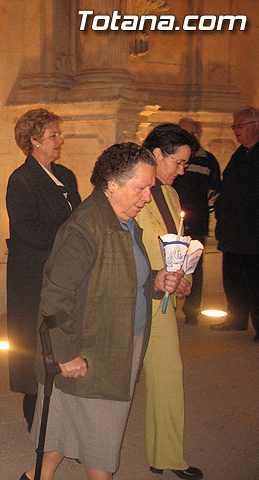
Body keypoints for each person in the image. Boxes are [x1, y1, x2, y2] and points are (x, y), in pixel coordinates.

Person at [19, 143, 188, 480]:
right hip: (94, 352)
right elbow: (55, 296)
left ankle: (36, 476)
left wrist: (157, 281)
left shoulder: (123, 220)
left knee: (63, 426)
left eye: (150, 188)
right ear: (112, 182)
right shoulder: (86, 227)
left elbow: (124, 276)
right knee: (102, 445)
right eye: (141, 187)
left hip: (117, 340)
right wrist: (65, 355)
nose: (147, 197)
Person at [6, 108, 81, 430]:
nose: (59, 140)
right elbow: (27, 230)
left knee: (61, 339)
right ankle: (34, 413)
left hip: (63, 272)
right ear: (34, 140)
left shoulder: (65, 175)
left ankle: (63, 408)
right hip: (33, 274)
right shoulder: (21, 179)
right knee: (34, 342)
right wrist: (69, 240)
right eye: (53, 135)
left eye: (58, 134)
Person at [136, 123, 203, 480]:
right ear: (157, 153)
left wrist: (185, 278)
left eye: (185, 165)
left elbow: (179, 242)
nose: (180, 171)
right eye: (177, 162)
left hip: (161, 302)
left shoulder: (171, 195)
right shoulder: (131, 187)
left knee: (168, 375)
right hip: (131, 298)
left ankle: (168, 456)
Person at [211, 106, 259, 342]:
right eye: (234, 126)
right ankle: (236, 318)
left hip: (253, 234)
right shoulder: (239, 154)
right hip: (232, 232)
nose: (235, 130)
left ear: (255, 126)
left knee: (254, 282)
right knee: (233, 280)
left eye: (239, 126)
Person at [173, 118, 221, 325]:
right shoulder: (172, 157)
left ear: (196, 136)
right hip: (173, 221)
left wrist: (201, 211)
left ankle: (192, 311)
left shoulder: (208, 160)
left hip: (197, 221)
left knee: (194, 266)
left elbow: (214, 192)